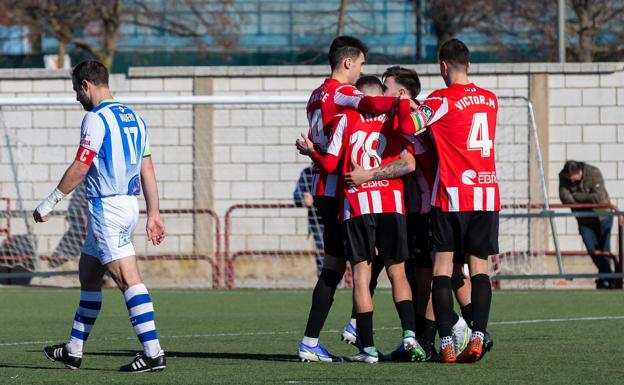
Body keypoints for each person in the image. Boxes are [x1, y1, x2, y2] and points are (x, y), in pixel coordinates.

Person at [34, 60, 167, 372]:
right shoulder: (134, 116)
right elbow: (146, 167)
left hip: (107, 208)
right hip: (127, 206)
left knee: (126, 279)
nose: (77, 98)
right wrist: (154, 213)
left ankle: (153, 352)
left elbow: (81, 166)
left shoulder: (95, 118)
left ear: (86, 86)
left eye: (76, 91)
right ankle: (73, 350)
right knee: (89, 274)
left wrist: (49, 201)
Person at [344, 66, 472, 361]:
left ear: (400, 93)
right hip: (416, 209)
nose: (381, 93)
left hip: (430, 209)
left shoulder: (416, 121)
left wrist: (369, 174)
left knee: (433, 275)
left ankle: (458, 327)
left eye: (386, 88)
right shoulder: (404, 118)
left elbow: (410, 163)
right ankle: (425, 339)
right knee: (419, 275)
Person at [298, 75, 424, 363]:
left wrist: (312, 152)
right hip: (392, 204)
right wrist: (404, 103)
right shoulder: (394, 115)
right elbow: (409, 152)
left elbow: (330, 163)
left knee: (361, 276)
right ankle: (409, 335)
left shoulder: (345, 117)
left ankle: (367, 349)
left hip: (356, 205)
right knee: (398, 273)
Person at [398, 38, 499, 363]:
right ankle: (479, 335)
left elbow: (408, 125)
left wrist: (406, 105)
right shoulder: (490, 99)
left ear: (443, 66)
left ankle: (446, 343)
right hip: (487, 193)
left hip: (453, 194)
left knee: (443, 268)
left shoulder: (441, 99)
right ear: (468, 64)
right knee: (479, 268)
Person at [559, 160, 614, 289]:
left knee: (604, 249)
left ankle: (605, 280)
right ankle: (609, 277)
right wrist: (583, 198)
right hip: (584, 219)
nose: (571, 180)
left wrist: (576, 195)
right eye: (569, 177)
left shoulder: (593, 172)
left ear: (580, 172)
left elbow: (598, 197)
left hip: (603, 216)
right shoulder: (563, 177)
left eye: (573, 177)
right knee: (592, 249)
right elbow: (565, 198)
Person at [293, 165, 325, 275]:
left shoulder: (336, 168)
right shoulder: (307, 173)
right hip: (317, 219)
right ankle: (324, 279)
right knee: (322, 248)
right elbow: (297, 195)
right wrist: (303, 198)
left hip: (337, 215)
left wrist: (315, 198)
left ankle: (346, 278)